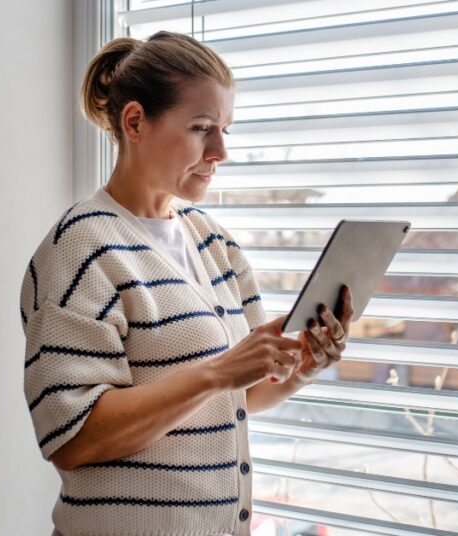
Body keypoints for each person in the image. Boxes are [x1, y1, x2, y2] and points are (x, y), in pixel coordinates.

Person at [19, 31, 355, 536]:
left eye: (224, 128)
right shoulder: (81, 248)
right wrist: (218, 372)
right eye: (202, 128)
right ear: (135, 122)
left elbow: (242, 395)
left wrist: (300, 365)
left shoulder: (216, 244)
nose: (220, 150)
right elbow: (74, 438)